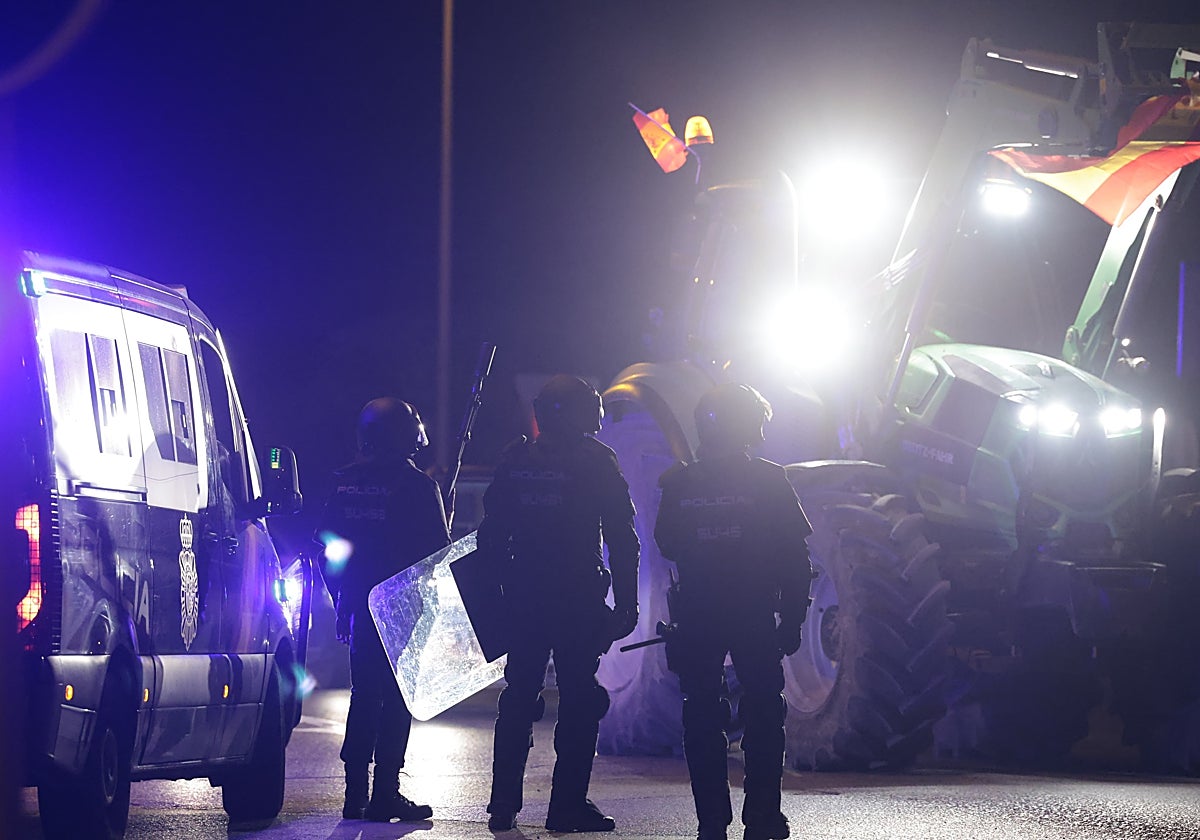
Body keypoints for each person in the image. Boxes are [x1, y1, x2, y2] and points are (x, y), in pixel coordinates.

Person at [478, 374, 640, 833]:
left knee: (517, 697)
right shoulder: (597, 461)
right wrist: (626, 605)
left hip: (523, 599)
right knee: (579, 700)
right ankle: (566, 806)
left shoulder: (516, 460)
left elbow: (490, 537)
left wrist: (493, 604)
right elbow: (622, 540)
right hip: (575, 600)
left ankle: (502, 805)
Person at [654, 383, 813, 840]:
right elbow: (796, 558)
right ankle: (762, 819)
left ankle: (711, 824)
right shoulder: (768, 478)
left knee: (701, 715)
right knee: (764, 715)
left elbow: (667, 544)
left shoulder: (679, 482)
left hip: (699, 615)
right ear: (750, 424)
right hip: (753, 614)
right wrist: (795, 620)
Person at [316, 397, 450, 822]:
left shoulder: (344, 483)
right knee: (394, 699)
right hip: (400, 609)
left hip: (357, 606)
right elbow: (437, 554)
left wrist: (341, 602)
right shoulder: (417, 486)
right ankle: (385, 794)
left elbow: (328, 549)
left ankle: (354, 794)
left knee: (364, 696)